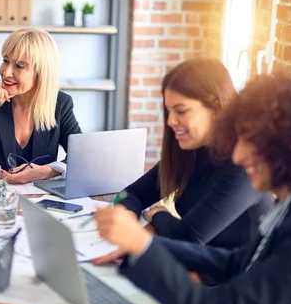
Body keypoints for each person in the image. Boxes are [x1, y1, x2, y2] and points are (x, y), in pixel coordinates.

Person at [95, 76, 291, 304]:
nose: (239, 156)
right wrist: (142, 245)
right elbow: (236, 263)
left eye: (251, 144)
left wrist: (143, 246)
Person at [96, 59, 272, 260]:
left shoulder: (243, 168)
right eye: (168, 111)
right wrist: (126, 215)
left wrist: (159, 216)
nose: (171, 121)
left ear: (216, 110)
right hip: (192, 267)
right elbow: (132, 193)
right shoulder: (191, 151)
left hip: (229, 283)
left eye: (181, 111)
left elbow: (189, 237)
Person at [0, 28, 82, 184]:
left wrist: (45, 172)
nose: (6, 72)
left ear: (41, 72)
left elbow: (82, 157)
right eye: (6, 61)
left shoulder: (60, 105)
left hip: (39, 199)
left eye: (20, 66)